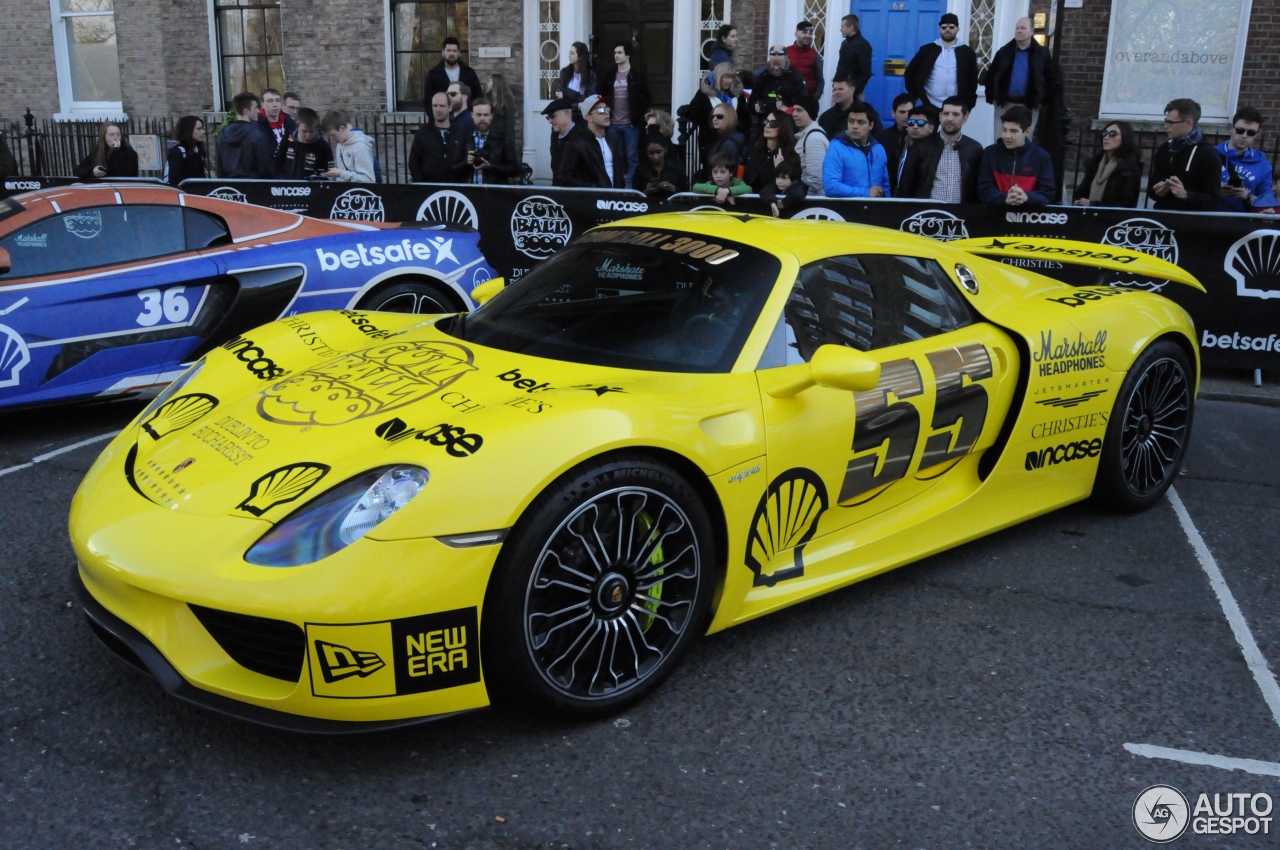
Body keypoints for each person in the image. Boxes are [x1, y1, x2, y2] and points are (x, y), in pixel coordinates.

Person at [901, 96, 983, 203]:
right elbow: (906, 185)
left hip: (961, 215)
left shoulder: (974, 149)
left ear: (965, 118)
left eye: (955, 114)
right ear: (940, 116)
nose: (949, 119)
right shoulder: (920, 147)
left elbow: (977, 189)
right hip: (927, 213)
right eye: (946, 113)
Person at [1147, 98, 1222, 212]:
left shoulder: (1207, 153)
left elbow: (1214, 200)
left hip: (1191, 222)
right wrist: (1157, 191)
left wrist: (1186, 195)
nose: (1166, 126)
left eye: (1171, 122)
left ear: (1188, 123)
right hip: (1162, 217)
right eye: (1165, 121)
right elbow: (1151, 189)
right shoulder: (1164, 149)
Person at [983, 17, 1048, 139]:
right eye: (1017, 28)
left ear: (1032, 31)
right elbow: (990, 76)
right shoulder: (1004, 52)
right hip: (1004, 104)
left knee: (1024, 142)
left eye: (1023, 28)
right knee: (1001, 140)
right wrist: (992, 97)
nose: (1019, 30)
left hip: (1029, 105)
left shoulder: (1041, 54)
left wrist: (1041, 100)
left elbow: (1049, 79)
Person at [978, 105, 1054, 208]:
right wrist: (1005, 198)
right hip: (995, 216)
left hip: (1028, 218)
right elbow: (984, 190)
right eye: (1004, 130)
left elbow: (1047, 193)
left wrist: (1026, 197)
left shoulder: (1041, 156)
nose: (1007, 136)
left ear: (1027, 131)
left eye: (1013, 131)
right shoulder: (990, 153)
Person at [905, 13, 979, 111]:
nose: (947, 30)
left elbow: (972, 80)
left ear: (957, 29)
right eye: (944, 27)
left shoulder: (967, 53)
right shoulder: (927, 50)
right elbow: (910, 72)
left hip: (956, 105)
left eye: (951, 27)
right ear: (940, 29)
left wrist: (969, 105)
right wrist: (917, 95)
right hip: (930, 103)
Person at [1216, 106, 1279, 213]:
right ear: (1231, 127)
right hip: (1210, 218)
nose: (1244, 136)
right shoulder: (1211, 154)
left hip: (1243, 221)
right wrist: (1216, 192)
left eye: (1251, 133)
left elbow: (1266, 200)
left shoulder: (1262, 164)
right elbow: (1194, 190)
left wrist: (1247, 196)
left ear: (1258, 133)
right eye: (1240, 130)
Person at [557, 93, 627, 188]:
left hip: (614, 199)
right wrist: (591, 189)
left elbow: (618, 171)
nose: (606, 112)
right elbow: (564, 178)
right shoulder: (576, 143)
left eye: (607, 109)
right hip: (592, 199)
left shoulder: (612, 139)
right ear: (589, 117)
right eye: (601, 110)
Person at [688, 62, 752, 165]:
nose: (728, 81)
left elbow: (744, 118)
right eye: (725, 77)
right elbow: (695, 114)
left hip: (733, 138)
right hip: (711, 140)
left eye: (731, 78)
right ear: (718, 76)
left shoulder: (737, 95)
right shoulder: (704, 94)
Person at [606, 42, 651, 187]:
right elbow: (603, 96)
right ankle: (617, 185)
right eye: (614, 53)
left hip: (630, 123)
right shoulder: (610, 75)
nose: (616, 56)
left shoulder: (637, 75)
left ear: (628, 55)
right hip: (613, 123)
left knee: (632, 156)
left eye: (619, 52)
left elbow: (647, 97)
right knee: (616, 156)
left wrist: (638, 114)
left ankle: (631, 185)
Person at [822, 105, 889, 198]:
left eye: (860, 122)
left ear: (871, 125)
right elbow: (831, 187)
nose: (854, 126)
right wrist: (866, 193)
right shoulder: (836, 147)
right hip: (846, 209)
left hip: (876, 209)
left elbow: (885, 185)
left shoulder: (878, 149)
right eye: (851, 121)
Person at [1073, 121, 1142, 208]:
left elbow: (1127, 204)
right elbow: (1081, 192)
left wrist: (1093, 205)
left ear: (1124, 138)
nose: (1106, 137)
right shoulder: (1094, 164)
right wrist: (1078, 201)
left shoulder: (1129, 168)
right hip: (1087, 217)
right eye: (1105, 133)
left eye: (1113, 134)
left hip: (1113, 219)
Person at [452, 98, 518, 185]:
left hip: (494, 192)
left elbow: (514, 170)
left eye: (486, 115)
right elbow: (453, 168)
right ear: (472, 115)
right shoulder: (463, 138)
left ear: (491, 116)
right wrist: (466, 162)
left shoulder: (504, 139)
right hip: (469, 192)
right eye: (478, 115)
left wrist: (490, 166)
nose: (482, 118)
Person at [750, 45, 805, 139]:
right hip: (766, 126)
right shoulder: (762, 77)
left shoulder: (795, 77)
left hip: (789, 126)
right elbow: (751, 103)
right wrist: (756, 107)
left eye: (779, 64)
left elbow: (803, 102)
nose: (776, 68)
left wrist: (788, 109)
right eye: (773, 65)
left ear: (786, 58)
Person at [215, 93, 274, 178]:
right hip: (252, 185)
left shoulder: (223, 133)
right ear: (246, 111)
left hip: (229, 185)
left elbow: (219, 164)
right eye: (256, 107)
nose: (258, 111)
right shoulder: (257, 135)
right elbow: (264, 167)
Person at [409, 93, 460, 183]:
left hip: (456, 187)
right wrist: (421, 184)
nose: (438, 109)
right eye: (435, 106)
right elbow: (414, 162)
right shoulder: (423, 133)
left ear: (450, 107)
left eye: (442, 106)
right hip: (429, 188)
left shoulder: (460, 132)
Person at [745, 110, 799, 193]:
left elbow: (791, 187)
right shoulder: (755, 151)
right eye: (766, 122)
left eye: (773, 123)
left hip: (776, 201)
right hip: (752, 201)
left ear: (783, 127)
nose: (767, 125)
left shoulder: (791, 155)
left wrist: (781, 168)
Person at [273, 107, 334, 180]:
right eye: (304, 131)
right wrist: (281, 181)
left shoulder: (323, 146)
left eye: (311, 132)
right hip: (288, 188)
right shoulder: (288, 139)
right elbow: (276, 164)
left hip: (312, 189)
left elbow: (331, 172)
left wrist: (320, 177)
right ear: (297, 127)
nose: (308, 136)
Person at [321, 110, 377, 182]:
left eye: (333, 135)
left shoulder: (361, 147)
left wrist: (341, 173)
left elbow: (368, 180)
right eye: (329, 136)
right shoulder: (340, 145)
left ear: (342, 128)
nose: (331, 139)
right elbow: (342, 175)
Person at [425, 37, 483, 106]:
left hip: (466, 115)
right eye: (448, 50)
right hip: (443, 116)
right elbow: (427, 100)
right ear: (443, 53)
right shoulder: (433, 74)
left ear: (459, 53)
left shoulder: (469, 73)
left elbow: (479, 97)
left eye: (454, 51)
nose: (451, 54)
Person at [891, 104, 936, 194]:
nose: (915, 126)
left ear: (931, 128)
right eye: (911, 122)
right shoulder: (902, 144)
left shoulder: (934, 150)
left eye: (920, 123)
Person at [633, 129, 688, 199]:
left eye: (658, 152)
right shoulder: (640, 170)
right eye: (651, 153)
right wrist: (646, 192)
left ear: (665, 149)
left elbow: (686, 194)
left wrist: (673, 189)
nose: (655, 157)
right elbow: (635, 198)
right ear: (646, 152)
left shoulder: (677, 168)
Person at [73, 122, 139, 180]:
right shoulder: (97, 152)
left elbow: (121, 175)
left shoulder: (130, 154)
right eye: (111, 135)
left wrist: (115, 152)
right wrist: (92, 172)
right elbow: (78, 170)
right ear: (104, 137)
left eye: (118, 134)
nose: (115, 137)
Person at [791, 94, 828, 195]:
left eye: (799, 110)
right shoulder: (806, 136)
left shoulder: (813, 138)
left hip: (810, 202)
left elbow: (816, 180)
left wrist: (793, 195)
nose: (794, 114)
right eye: (794, 110)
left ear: (810, 112)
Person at [700, 102, 746, 179]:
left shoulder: (729, 143)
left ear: (729, 117)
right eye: (713, 116)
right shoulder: (720, 139)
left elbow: (726, 173)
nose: (715, 119)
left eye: (719, 116)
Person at [878, 93, 914, 193]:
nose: (906, 116)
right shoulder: (883, 137)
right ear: (893, 113)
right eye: (902, 112)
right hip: (886, 189)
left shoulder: (920, 138)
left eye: (910, 112)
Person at [836, 14, 873, 101]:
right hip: (839, 90)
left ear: (851, 27)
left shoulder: (863, 45)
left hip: (854, 94)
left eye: (842, 26)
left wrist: (854, 91)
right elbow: (840, 66)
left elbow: (866, 73)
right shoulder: (844, 44)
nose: (840, 29)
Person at [165, 116, 207, 187]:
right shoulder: (178, 151)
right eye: (199, 129)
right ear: (188, 130)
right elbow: (174, 178)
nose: (203, 132)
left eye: (202, 128)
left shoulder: (197, 150)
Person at [786, 21, 824, 98]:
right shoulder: (786, 52)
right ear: (796, 34)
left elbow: (820, 81)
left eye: (810, 33)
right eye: (804, 32)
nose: (807, 35)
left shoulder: (814, 55)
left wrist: (815, 98)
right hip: (788, 98)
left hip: (807, 98)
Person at [558, 41, 596, 108]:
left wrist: (566, 94)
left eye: (572, 53)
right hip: (567, 113)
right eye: (569, 53)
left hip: (583, 115)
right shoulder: (564, 72)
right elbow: (559, 95)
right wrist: (577, 105)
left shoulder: (590, 75)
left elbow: (590, 99)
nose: (569, 55)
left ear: (580, 56)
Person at [257, 87, 296, 152]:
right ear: (262, 105)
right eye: (270, 101)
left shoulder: (290, 123)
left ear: (281, 104)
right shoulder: (256, 125)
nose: (275, 105)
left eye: (277, 100)